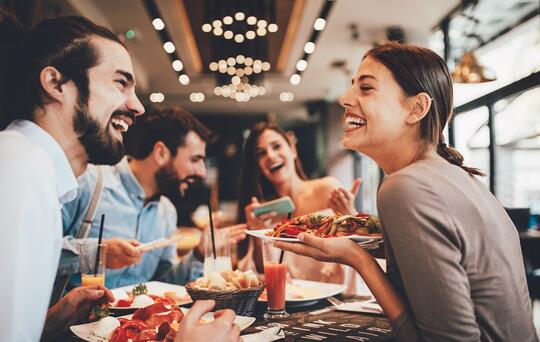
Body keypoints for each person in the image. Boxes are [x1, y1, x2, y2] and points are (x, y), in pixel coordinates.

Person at [0, 13, 240, 342]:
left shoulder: (30, 165)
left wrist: (49, 325)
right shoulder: (21, 168)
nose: (138, 107)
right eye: (120, 82)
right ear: (56, 84)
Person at [275, 42, 537, 341]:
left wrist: (359, 258)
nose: (345, 99)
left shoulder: (404, 186)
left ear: (416, 108)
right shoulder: (462, 179)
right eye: (352, 87)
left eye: (366, 88)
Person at [62, 106, 214, 288]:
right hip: (75, 316)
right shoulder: (89, 183)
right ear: (161, 153)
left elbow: (163, 283)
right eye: (195, 159)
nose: (202, 172)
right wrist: (98, 253)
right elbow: (35, 249)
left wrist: (199, 255)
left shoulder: (166, 211)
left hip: (134, 317)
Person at [237, 122, 360, 283]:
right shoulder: (265, 213)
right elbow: (263, 270)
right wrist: (256, 232)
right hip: (291, 301)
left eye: (276, 146)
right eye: (261, 153)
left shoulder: (327, 189)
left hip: (336, 296)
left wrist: (351, 216)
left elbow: (357, 250)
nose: (271, 156)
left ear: (293, 150)